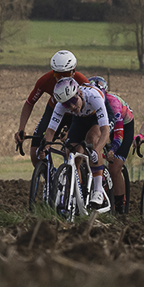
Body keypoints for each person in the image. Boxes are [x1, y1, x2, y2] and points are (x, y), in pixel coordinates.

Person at [44, 77, 112, 213]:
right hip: (80, 119)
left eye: (73, 101)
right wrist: (45, 146)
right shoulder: (64, 106)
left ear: (79, 93)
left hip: (96, 118)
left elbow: (105, 130)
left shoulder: (94, 97)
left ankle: (98, 190)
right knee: (72, 152)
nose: (72, 107)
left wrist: (96, 150)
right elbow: (51, 130)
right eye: (66, 105)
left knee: (92, 139)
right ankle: (76, 193)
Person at [16, 50, 90, 163]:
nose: (60, 79)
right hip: (55, 111)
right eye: (56, 74)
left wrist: (71, 132)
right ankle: (50, 177)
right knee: (36, 152)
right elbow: (29, 103)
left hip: (76, 115)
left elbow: (89, 109)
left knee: (75, 151)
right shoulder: (45, 80)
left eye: (65, 75)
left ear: (73, 72)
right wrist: (21, 128)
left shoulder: (82, 81)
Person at [88, 76, 134, 215]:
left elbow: (118, 134)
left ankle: (120, 208)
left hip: (124, 126)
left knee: (115, 167)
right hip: (105, 125)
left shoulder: (113, 103)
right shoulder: (89, 101)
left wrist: (112, 150)